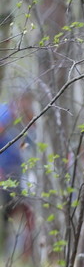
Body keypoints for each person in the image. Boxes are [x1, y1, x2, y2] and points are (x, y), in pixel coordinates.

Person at [0, 89, 36, 256]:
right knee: (5, 216)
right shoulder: (5, 113)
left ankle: (26, 254)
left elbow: (32, 147)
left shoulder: (30, 121)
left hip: (21, 176)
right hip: (3, 174)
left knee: (29, 214)